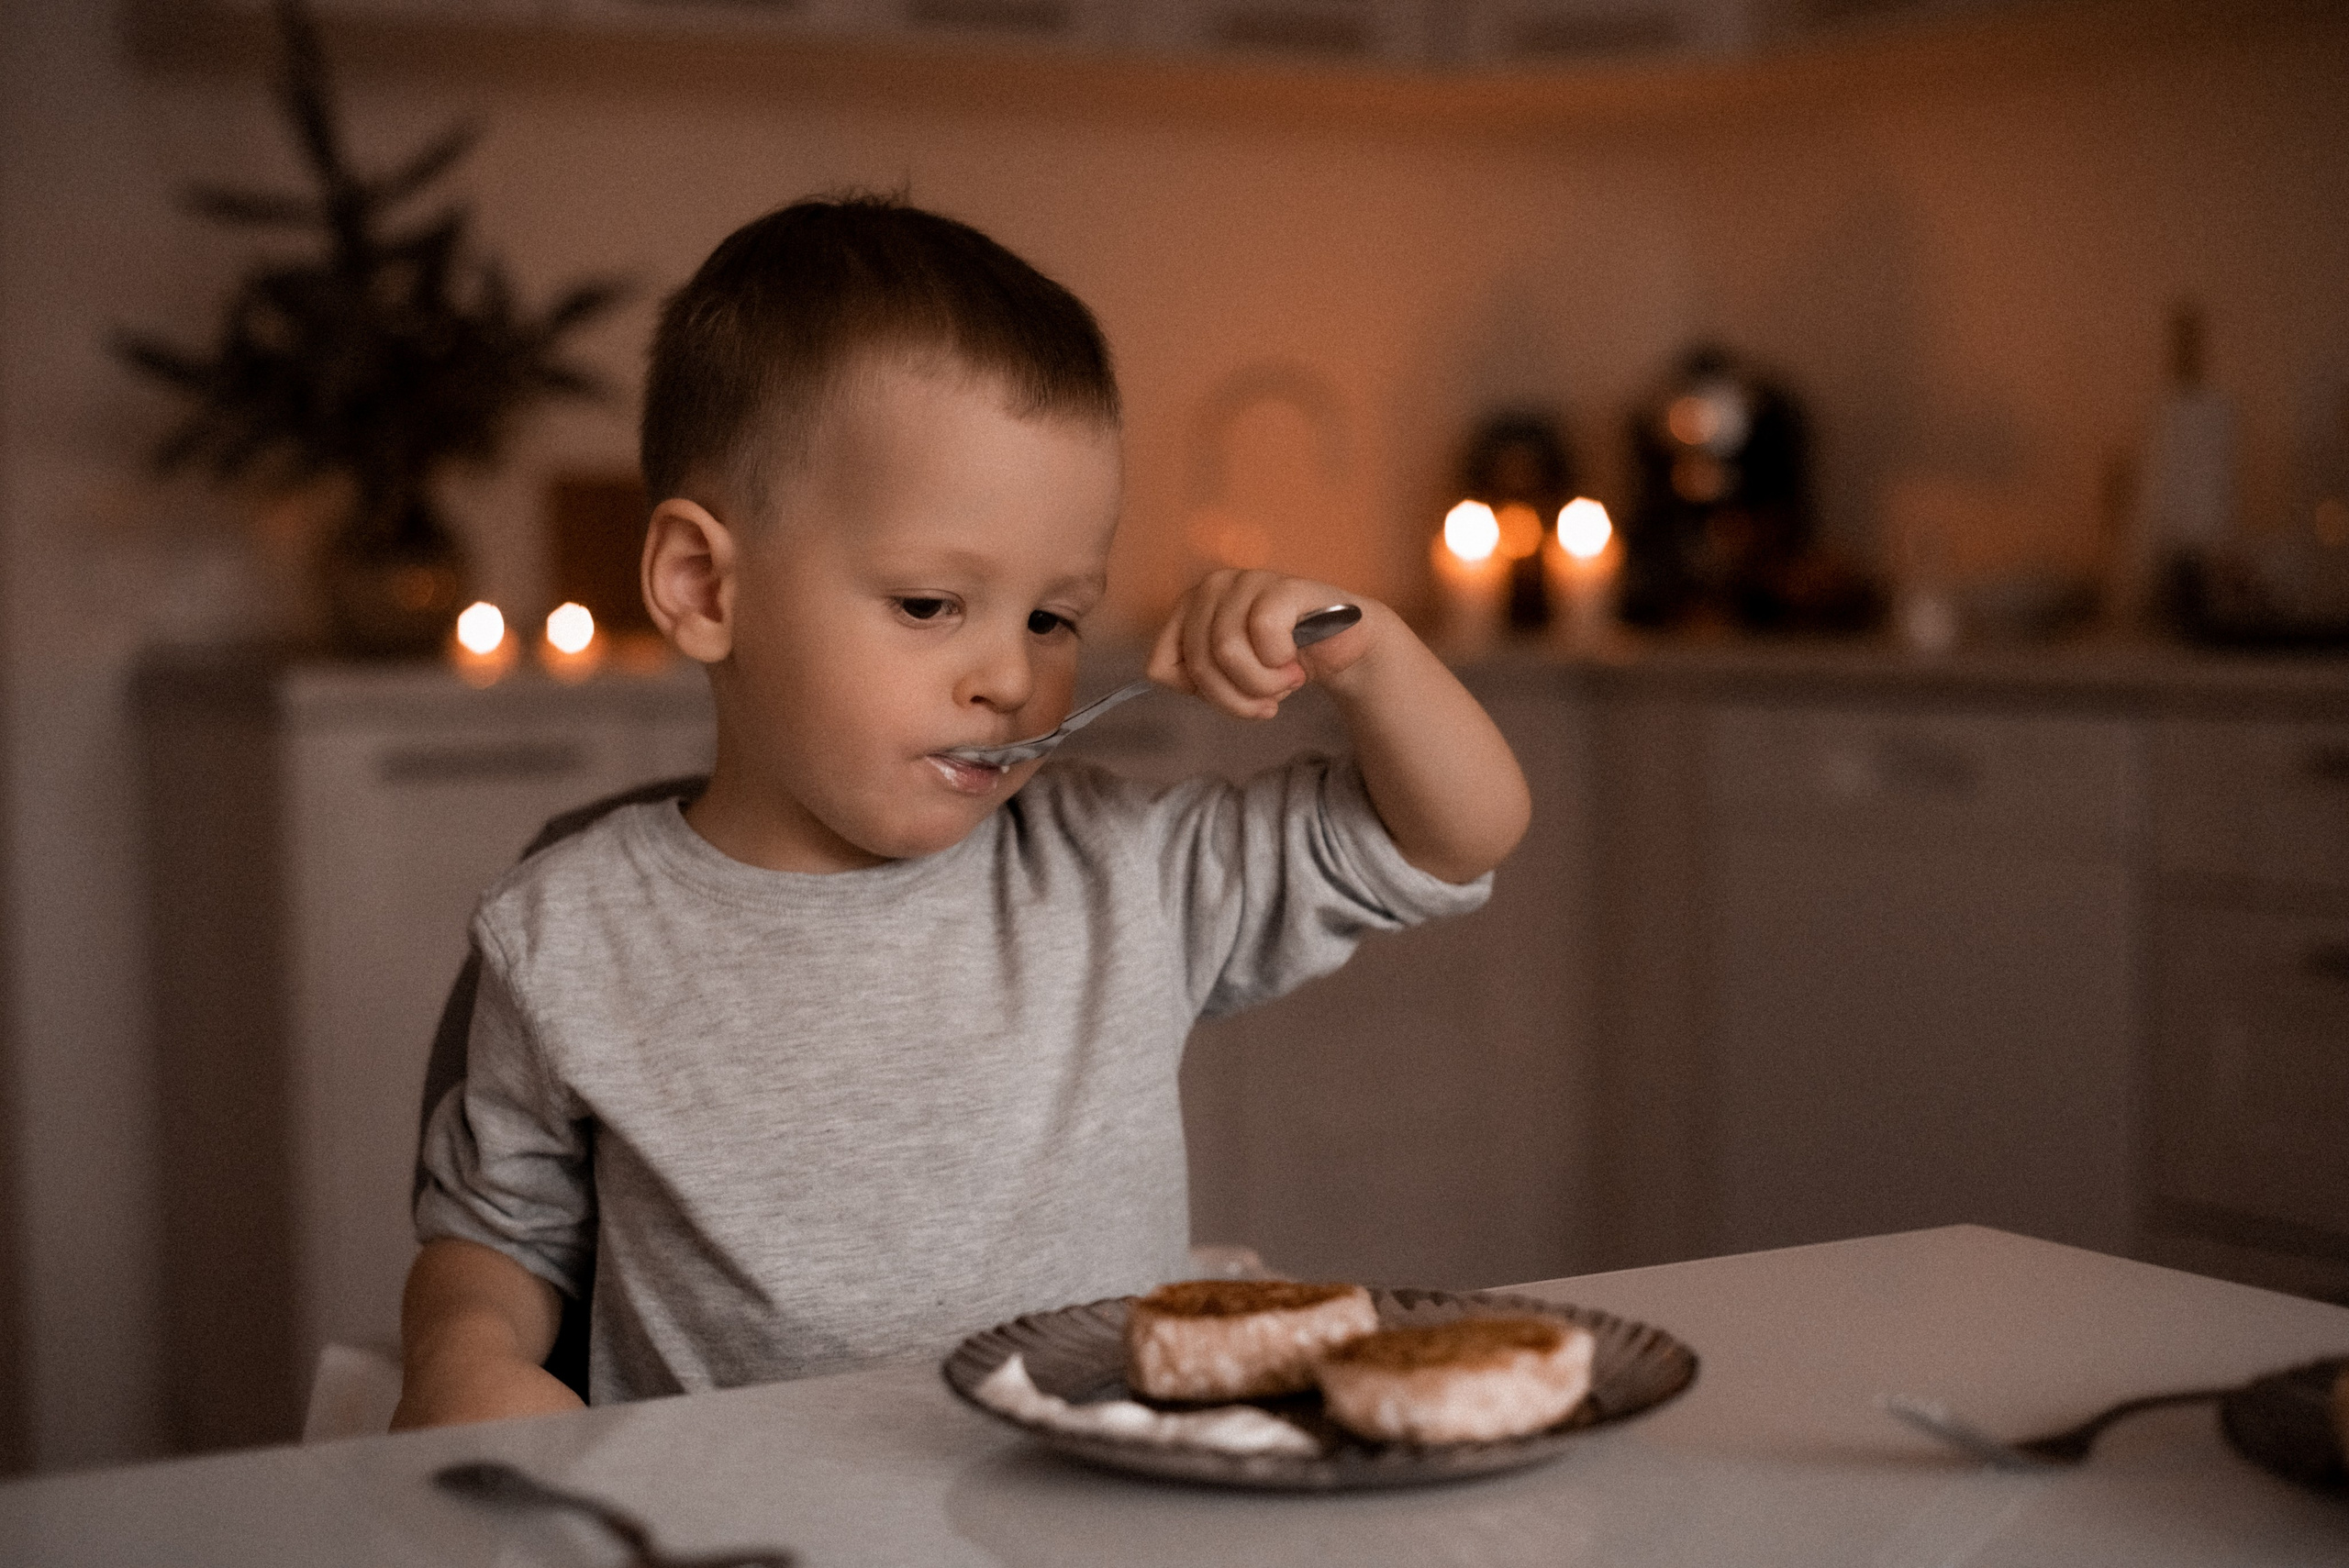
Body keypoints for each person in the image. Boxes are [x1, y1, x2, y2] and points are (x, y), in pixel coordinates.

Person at [393, 195, 1531, 1429]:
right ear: (702, 584)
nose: (1008, 674)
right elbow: (496, 1239)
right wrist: (462, 1353)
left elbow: (1455, 832)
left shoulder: (1121, 869)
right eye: (933, 604)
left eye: (1053, 616)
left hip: (1097, 1510)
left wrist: (1365, 648)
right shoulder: (568, 931)